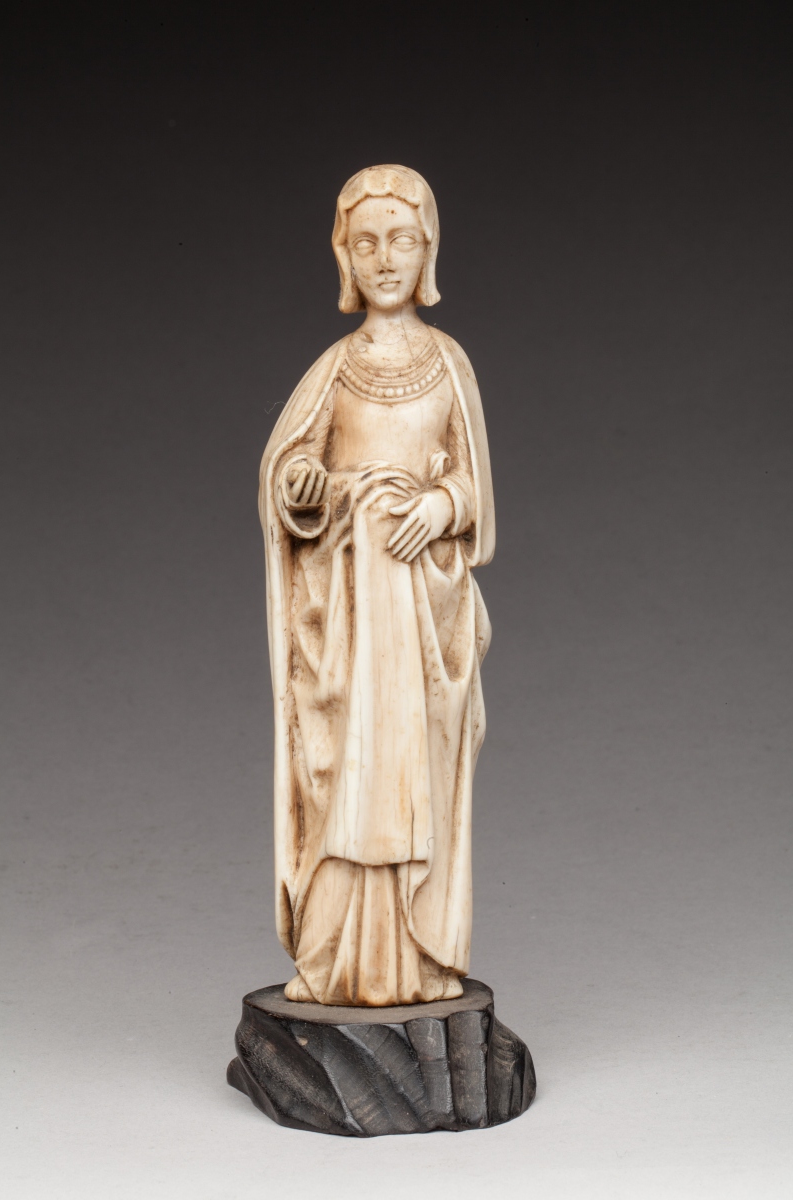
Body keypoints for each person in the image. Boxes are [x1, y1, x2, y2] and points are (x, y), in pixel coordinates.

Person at [259, 165, 495, 1005]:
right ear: (344, 257)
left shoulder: (448, 363)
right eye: (366, 243)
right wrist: (304, 491)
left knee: (415, 775)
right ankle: (333, 960)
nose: (385, 258)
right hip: (350, 623)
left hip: (423, 613)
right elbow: (291, 472)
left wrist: (439, 504)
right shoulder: (335, 369)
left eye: (401, 239)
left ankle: (422, 957)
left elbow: (477, 492)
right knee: (342, 778)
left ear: (428, 248)